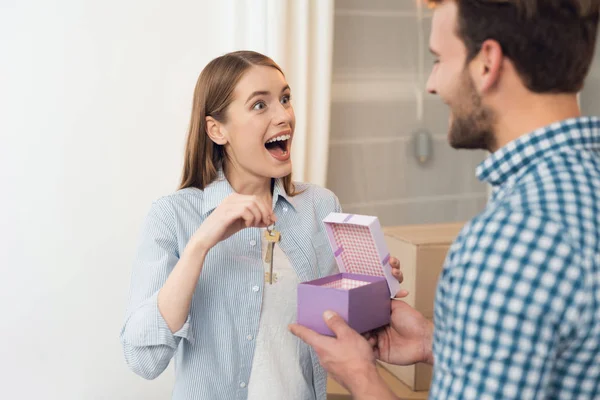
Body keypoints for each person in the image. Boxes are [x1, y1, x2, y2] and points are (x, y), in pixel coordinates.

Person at [290, 0, 600, 399]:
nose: (431, 83)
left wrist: (360, 376)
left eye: (439, 59)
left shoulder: (509, 242)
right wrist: (434, 344)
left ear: (487, 62)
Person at [119, 49, 404, 400]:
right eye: (260, 105)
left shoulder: (320, 206)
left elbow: (342, 333)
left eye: (285, 99)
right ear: (217, 129)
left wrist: (374, 289)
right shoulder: (173, 216)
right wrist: (201, 243)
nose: (284, 115)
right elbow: (143, 360)